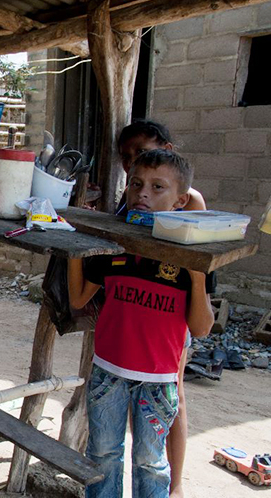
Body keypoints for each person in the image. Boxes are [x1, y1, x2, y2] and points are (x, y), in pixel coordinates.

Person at [68, 149, 214, 498]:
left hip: (159, 380)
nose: (142, 193)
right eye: (136, 184)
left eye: (156, 187)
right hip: (108, 373)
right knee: (102, 456)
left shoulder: (188, 254)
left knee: (151, 462)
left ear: (180, 201)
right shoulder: (116, 245)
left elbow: (202, 328)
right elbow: (77, 299)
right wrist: (74, 245)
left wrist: (196, 278)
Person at [117, 119, 207, 498]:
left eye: (141, 151)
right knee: (142, 396)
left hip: (171, 314)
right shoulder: (132, 198)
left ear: (168, 150)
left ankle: (176, 484)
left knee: (172, 393)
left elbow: (196, 268)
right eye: (128, 159)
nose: (134, 162)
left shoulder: (190, 201)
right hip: (137, 310)